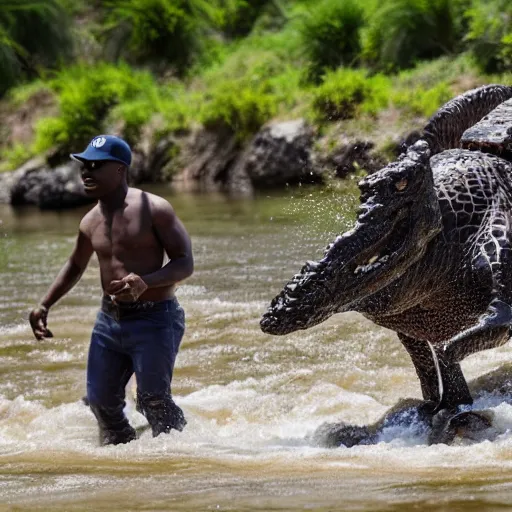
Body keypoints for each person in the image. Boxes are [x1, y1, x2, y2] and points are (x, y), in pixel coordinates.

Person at [29, 134, 194, 446]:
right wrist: (44, 304)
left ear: (120, 169)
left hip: (155, 320)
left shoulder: (155, 209)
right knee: (100, 402)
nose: (86, 172)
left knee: (153, 400)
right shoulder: (90, 221)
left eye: (96, 165)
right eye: (84, 165)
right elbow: (75, 266)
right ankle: (121, 464)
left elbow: (184, 263)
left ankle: (186, 455)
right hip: (109, 322)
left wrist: (147, 281)